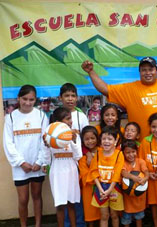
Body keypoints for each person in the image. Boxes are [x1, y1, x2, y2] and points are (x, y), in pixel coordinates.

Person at [3, 85, 48, 227]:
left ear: (35, 100)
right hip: (20, 168)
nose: (28, 102)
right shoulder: (10, 117)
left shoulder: (41, 115)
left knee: (37, 196)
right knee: (23, 199)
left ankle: (38, 224)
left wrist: (40, 161)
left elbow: (45, 140)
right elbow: (8, 143)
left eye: (31, 99)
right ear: (18, 98)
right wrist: (21, 163)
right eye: (24, 99)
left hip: (37, 165)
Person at [43, 107, 82, 227]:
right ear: (59, 121)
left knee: (71, 203)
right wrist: (46, 145)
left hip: (71, 169)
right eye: (68, 118)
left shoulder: (73, 135)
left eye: (71, 118)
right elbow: (46, 156)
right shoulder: (49, 135)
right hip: (57, 170)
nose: (71, 121)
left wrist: (74, 142)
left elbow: (78, 156)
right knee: (60, 204)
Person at [59, 83, 88, 227]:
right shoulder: (56, 117)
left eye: (73, 96)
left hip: (77, 162)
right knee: (63, 196)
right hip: (60, 163)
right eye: (66, 96)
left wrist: (85, 157)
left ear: (77, 98)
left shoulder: (81, 116)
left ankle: (80, 222)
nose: (70, 99)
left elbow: (88, 138)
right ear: (60, 98)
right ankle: (65, 223)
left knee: (77, 195)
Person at [87, 126, 124, 227]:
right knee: (104, 216)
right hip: (101, 189)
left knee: (114, 215)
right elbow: (94, 172)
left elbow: (117, 174)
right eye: (104, 139)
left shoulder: (119, 154)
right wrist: (100, 189)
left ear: (115, 141)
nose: (106, 141)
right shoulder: (98, 154)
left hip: (114, 188)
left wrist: (109, 190)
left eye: (110, 139)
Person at [121, 139, 149, 227]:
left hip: (139, 198)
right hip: (127, 199)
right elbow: (123, 173)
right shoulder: (123, 163)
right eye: (127, 152)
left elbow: (146, 172)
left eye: (133, 152)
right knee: (126, 219)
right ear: (123, 153)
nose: (131, 155)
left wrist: (145, 179)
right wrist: (134, 178)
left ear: (136, 151)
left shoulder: (140, 161)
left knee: (139, 217)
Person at [78, 126, 101, 226]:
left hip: (102, 186)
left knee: (103, 212)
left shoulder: (103, 151)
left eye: (93, 138)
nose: (90, 141)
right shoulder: (82, 157)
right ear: (82, 141)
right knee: (90, 211)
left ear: (97, 138)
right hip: (89, 187)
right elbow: (84, 175)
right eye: (87, 139)